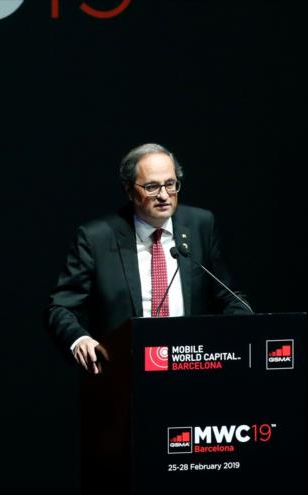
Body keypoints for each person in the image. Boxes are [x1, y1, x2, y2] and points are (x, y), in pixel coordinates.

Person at [45, 143, 251, 374]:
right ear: (129, 190)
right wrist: (79, 340)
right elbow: (61, 307)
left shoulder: (200, 225)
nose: (164, 196)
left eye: (170, 184)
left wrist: (250, 329)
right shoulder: (97, 238)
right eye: (152, 187)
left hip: (192, 367)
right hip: (124, 372)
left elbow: (228, 297)